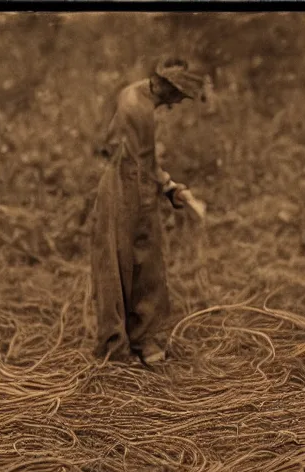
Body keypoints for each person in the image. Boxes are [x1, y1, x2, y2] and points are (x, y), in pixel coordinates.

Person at [90, 57, 208, 366]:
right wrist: (161, 188)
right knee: (116, 264)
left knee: (148, 261)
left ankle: (143, 337)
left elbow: (145, 162)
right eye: (179, 95)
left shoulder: (143, 98)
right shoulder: (135, 106)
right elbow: (130, 160)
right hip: (122, 184)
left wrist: (169, 188)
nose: (179, 102)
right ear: (167, 88)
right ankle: (115, 347)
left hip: (139, 181)